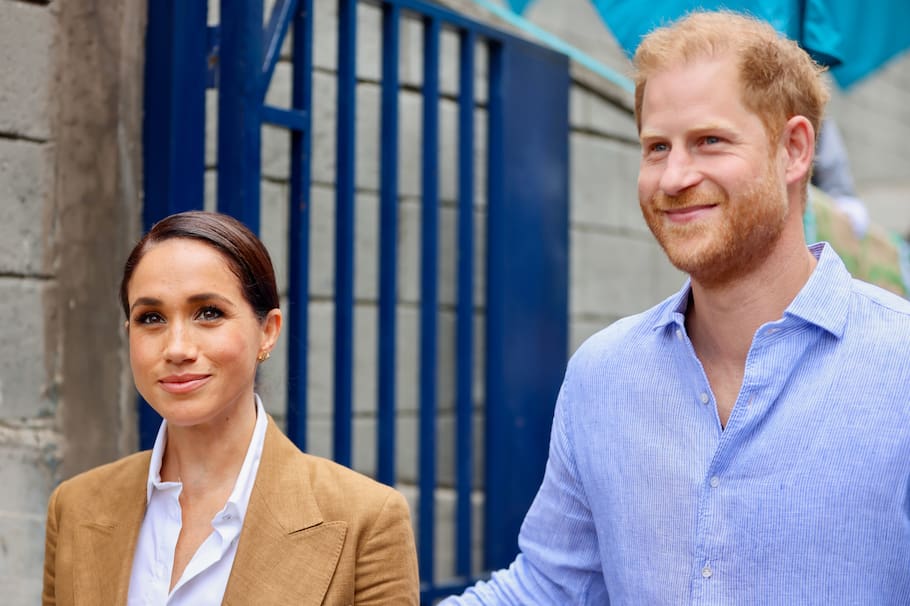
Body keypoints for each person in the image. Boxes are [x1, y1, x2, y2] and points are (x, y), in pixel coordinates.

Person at [443, 10, 910, 605]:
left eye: (709, 141)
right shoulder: (603, 373)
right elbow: (549, 589)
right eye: (657, 147)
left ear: (794, 150)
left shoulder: (899, 367)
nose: (674, 177)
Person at [43, 211, 419, 605]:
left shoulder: (366, 520)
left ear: (267, 331)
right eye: (151, 318)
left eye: (209, 313)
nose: (177, 348)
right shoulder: (74, 507)